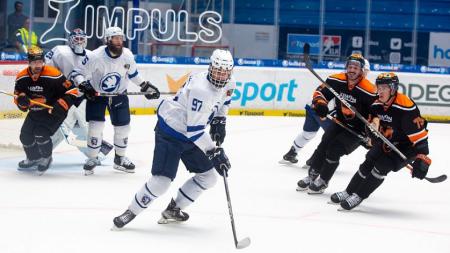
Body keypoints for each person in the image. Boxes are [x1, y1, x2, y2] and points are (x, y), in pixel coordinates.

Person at [112, 49, 235, 229]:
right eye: (218, 70)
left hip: (192, 134)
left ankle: (173, 209)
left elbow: (224, 102)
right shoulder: (202, 90)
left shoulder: (229, 83)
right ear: (210, 67)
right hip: (171, 131)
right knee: (161, 182)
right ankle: (131, 211)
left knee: (208, 177)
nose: (221, 75)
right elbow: (194, 130)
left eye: (225, 71)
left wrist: (219, 119)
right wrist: (214, 152)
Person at [330, 73, 431, 210]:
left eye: (384, 87)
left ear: (393, 89)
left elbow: (421, 140)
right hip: (388, 141)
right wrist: (372, 130)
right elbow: (373, 121)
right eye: (379, 87)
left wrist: (422, 160)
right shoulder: (377, 103)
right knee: (367, 163)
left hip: (407, 146)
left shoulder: (405, 108)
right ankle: (348, 191)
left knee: (381, 166)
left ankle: (359, 195)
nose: (380, 91)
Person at [72, 26, 160, 175]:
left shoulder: (127, 55)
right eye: (115, 38)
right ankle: (92, 158)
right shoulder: (95, 56)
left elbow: (133, 75)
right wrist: (84, 85)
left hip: (119, 95)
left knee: (123, 128)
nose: (119, 41)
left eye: (120, 38)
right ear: (108, 40)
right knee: (95, 127)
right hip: (97, 95)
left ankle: (119, 159)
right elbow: (78, 73)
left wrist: (145, 86)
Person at [296, 54, 377, 194]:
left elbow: (377, 112)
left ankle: (323, 181)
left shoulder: (369, 90)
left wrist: (372, 131)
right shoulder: (336, 79)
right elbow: (320, 93)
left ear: (362, 70)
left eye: (356, 68)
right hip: (340, 122)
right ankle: (312, 175)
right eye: (350, 67)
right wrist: (320, 104)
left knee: (334, 151)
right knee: (323, 145)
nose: (352, 70)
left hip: (358, 130)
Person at [281, 59, 370, 166]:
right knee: (333, 137)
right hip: (323, 109)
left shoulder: (346, 78)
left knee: (309, 133)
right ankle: (314, 161)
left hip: (312, 106)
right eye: (366, 71)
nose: (366, 74)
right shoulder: (344, 81)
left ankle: (292, 152)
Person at [45, 28, 113, 161]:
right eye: (76, 39)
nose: (79, 42)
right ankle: (42, 153)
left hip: (83, 98)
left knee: (85, 129)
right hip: (64, 96)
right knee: (60, 128)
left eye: (82, 39)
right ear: (70, 40)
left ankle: (98, 152)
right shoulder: (60, 51)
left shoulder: (91, 56)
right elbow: (47, 70)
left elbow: (97, 75)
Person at [14, 45, 78, 175]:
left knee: (40, 133)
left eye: (40, 62)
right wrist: (22, 102)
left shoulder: (54, 75)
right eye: (34, 62)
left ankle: (46, 157)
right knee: (25, 136)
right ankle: (33, 158)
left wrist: (61, 104)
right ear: (29, 62)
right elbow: (17, 96)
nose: (38, 65)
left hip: (53, 112)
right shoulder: (22, 78)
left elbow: (73, 91)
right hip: (35, 111)